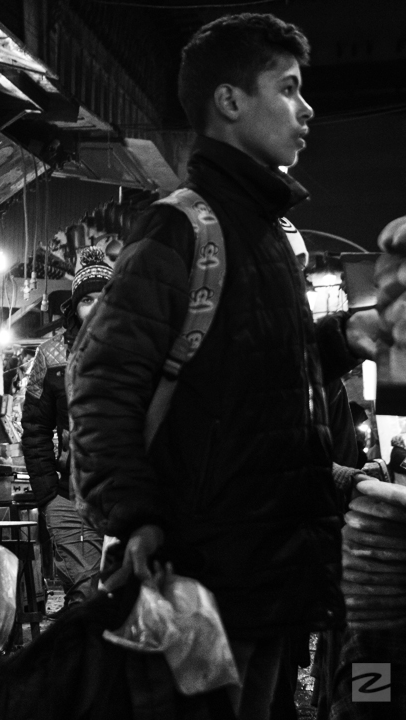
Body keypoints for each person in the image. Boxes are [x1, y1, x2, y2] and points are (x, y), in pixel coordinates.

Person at [66, 14, 380, 719]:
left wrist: (345, 337)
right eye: (290, 89)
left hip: (275, 570)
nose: (307, 110)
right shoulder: (184, 226)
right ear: (231, 102)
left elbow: (257, 367)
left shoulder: (266, 231)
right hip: (204, 577)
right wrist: (136, 513)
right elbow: (102, 384)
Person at [21, 246, 110, 608]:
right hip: (67, 498)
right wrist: (46, 493)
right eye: (88, 299)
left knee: (122, 603)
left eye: (106, 296)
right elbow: (34, 427)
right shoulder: (51, 355)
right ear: (75, 307)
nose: (97, 306)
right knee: (84, 596)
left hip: (125, 500)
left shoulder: (141, 351)